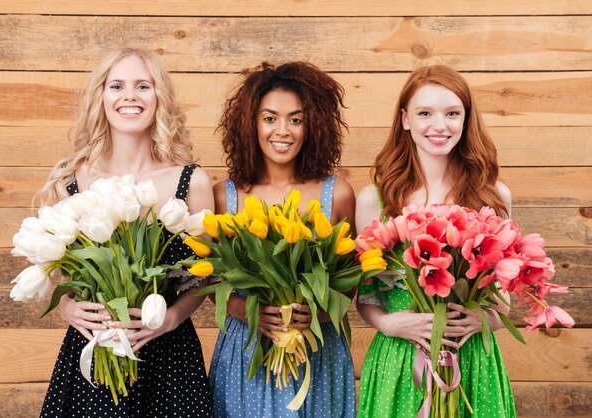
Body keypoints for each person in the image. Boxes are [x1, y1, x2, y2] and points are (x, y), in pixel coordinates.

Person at [37, 47, 214, 417]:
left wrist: (172, 317)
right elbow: (62, 272)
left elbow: (204, 277)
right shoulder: (70, 181)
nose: (129, 96)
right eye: (116, 85)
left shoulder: (191, 181)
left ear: (159, 98)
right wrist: (67, 308)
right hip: (93, 351)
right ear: (101, 97)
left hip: (169, 356)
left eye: (143, 86)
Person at [355, 65, 516, 417]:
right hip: (400, 358)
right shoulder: (375, 199)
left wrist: (483, 319)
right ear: (405, 119)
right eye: (425, 113)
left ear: (466, 119)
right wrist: (388, 323)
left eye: (452, 113)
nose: (439, 126)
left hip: (472, 358)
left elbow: (504, 298)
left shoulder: (492, 196)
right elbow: (366, 295)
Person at [209, 62, 356, 417]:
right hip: (245, 351)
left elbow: (351, 283)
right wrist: (242, 309)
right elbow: (209, 279)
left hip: (317, 353)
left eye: (296, 119)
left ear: (312, 126)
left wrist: (316, 313)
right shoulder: (222, 197)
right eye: (270, 118)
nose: (283, 131)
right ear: (250, 123)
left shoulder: (336, 194)